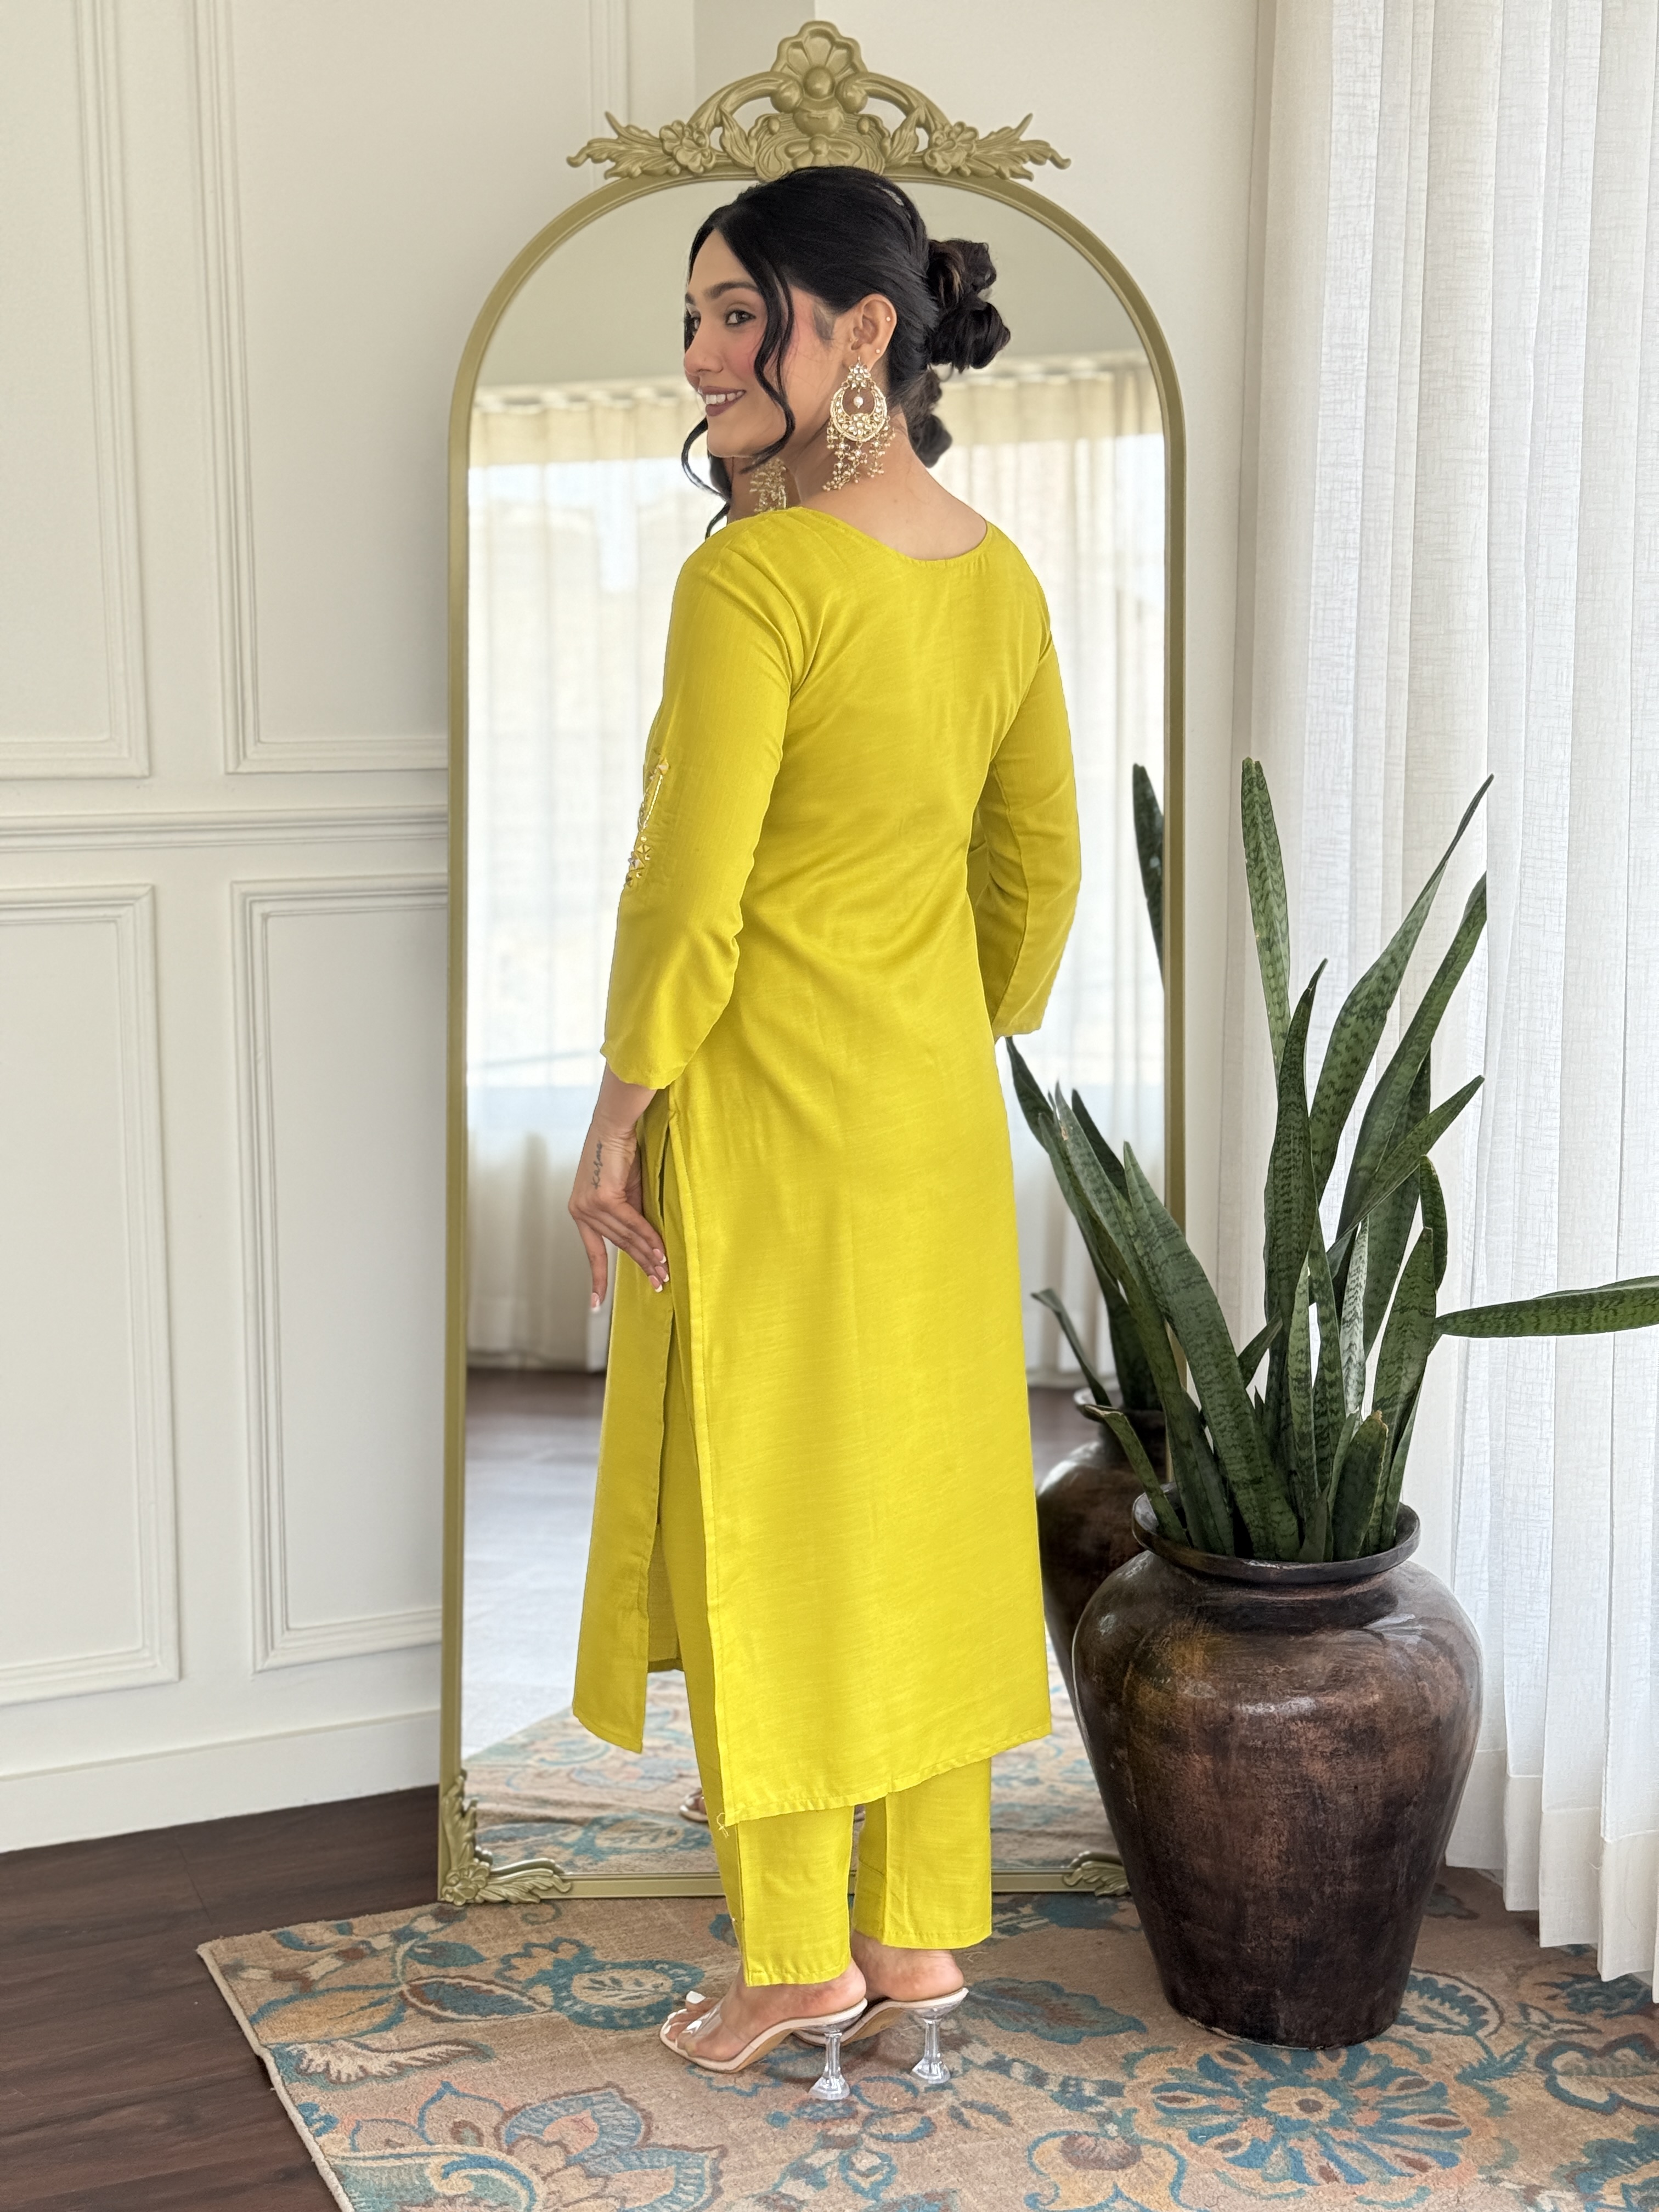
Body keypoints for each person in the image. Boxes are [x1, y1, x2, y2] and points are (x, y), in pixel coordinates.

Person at [566, 166, 1081, 2089]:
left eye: (735, 315)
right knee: (923, 1513)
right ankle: (916, 1932)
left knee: (772, 1522)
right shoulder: (1001, 578)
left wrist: (617, 1118)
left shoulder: (756, 579)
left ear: (862, 333)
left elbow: (685, 898)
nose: (702, 356)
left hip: (769, 1123)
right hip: (928, 1128)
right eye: (696, 319)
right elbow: (1040, 876)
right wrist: (941, 1021)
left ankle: (794, 1959)